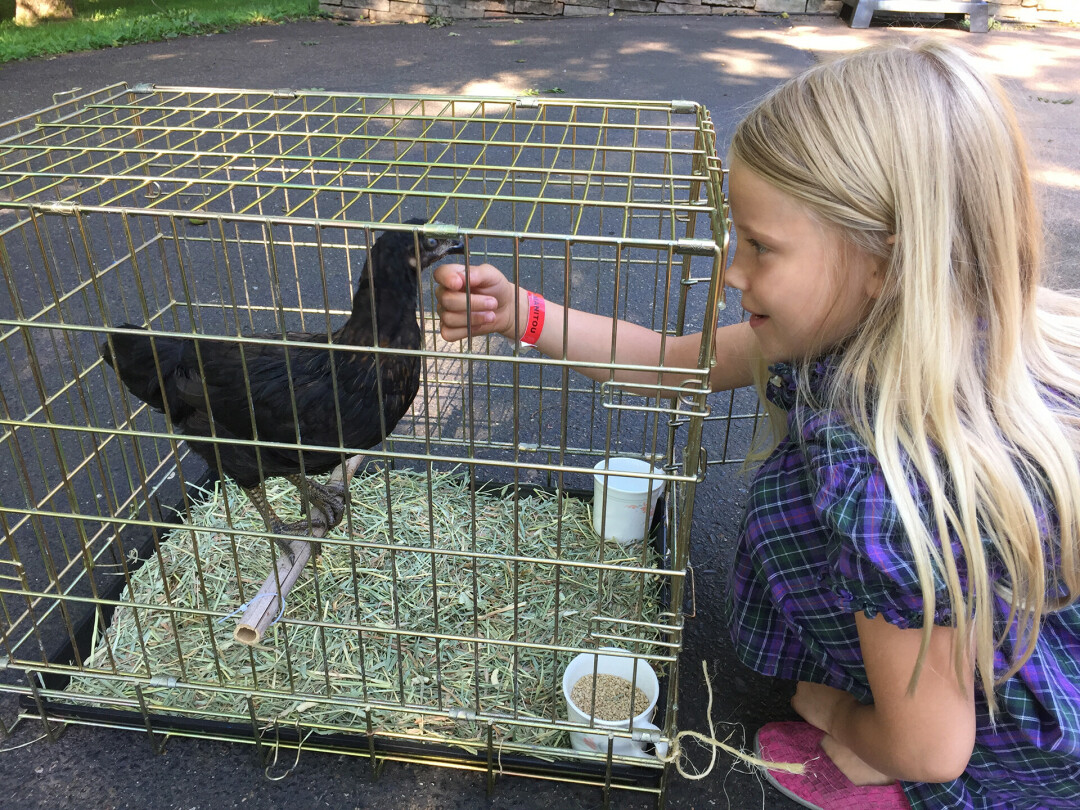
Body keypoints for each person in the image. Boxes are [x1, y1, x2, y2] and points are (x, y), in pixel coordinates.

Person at [433, 39, 1080, 810]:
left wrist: (842, 713)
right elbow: (676, 362)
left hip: (986, 738)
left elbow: (934, 747)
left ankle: (882, 769)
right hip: (958, 646)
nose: (733, 271)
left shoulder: (891, 482)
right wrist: (523, 314)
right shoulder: (898, 329)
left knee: (901, 745)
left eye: (762, 247)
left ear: (887, 265)